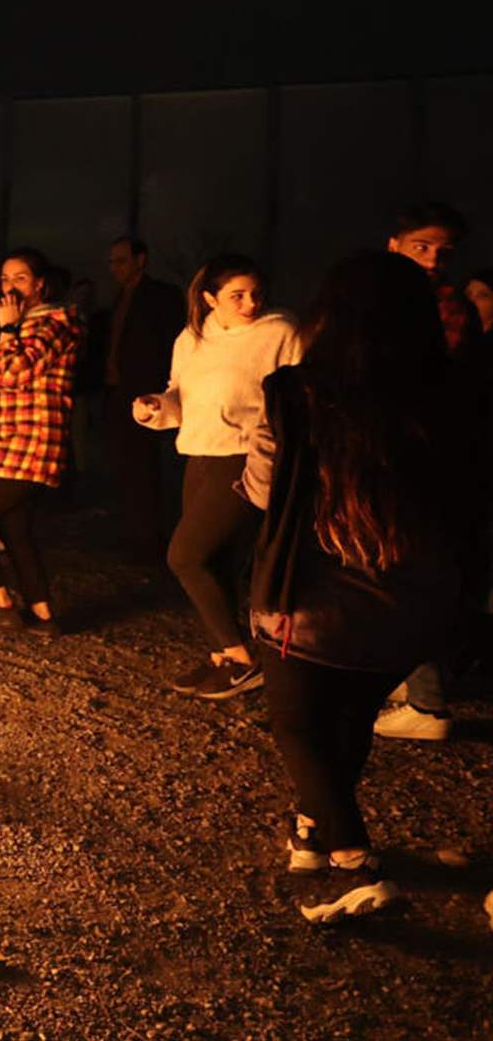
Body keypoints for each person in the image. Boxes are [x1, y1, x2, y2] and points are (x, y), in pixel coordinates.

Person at [240, 252, 465, 923]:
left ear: (327, 317)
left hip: (310, 605)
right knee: (351, 718)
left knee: (298, 726)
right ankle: (311, 831)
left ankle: (355, 853)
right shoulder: (452, 396)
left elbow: (261, 490)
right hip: (412, 604)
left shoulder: (296, 393)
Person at [134, 255, 303, 700]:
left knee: (186, 556)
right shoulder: (192, 338)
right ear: (210, 298)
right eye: (237, 295)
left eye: (255, 294)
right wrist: (157, 404)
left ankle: (244, 659)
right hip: (199, 453)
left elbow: (298, 398)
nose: (250, 303)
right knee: (218, 561)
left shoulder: (280, 332)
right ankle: (226, 657)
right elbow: (179, 391)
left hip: (244, 457)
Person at [373, 203, 483, 741]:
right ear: (394, 243)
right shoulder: (394, 299)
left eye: (443, 251)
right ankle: (411, 680)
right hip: (411, 452)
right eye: (422, 246)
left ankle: (428, 703)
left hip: (412, 457)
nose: (434, 259)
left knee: (403, 571)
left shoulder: (437, 306)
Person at [0, 248, 81, 638]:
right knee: (13, 527)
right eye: (5, 279)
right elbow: (14, 377)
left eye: (20, 278)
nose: (9, 287)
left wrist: (7, 331)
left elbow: (18, 369)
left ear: (39, 283)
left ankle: (1, 605)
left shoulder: (54, 323)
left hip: (29, 445)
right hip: (13, 442)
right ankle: (42, 615)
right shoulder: (28, 324)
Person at [94, 237, 185, 563]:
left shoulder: (161, 296)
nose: (114, 268)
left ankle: (149, 538)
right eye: (112, 262)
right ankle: (135, 532)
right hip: (118, 391)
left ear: (140, 260)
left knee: (143, 466)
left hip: (145, 393)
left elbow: (170, 344)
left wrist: (161, 390)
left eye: (121, 260)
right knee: (124, 464)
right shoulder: (121, 298)